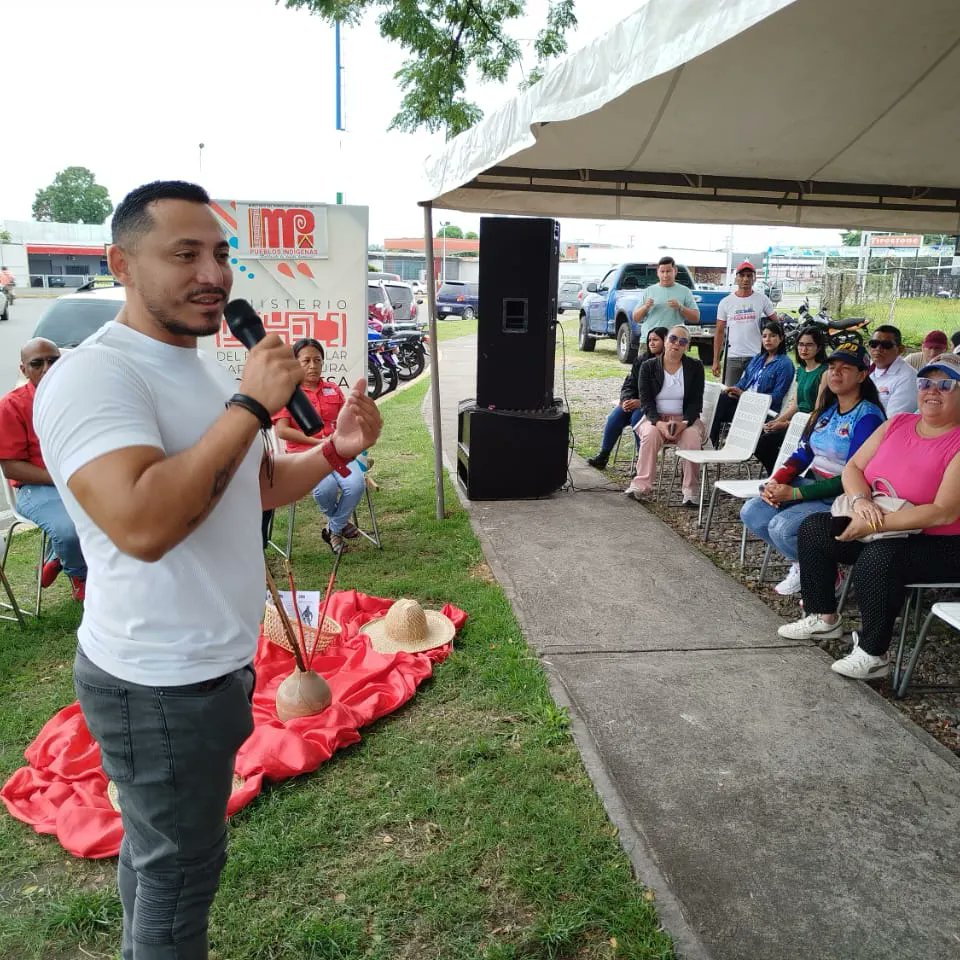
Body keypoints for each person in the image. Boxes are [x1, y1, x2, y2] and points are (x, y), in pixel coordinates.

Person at [33, 180, 382, 960]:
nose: (213, 274)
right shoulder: (95, 377)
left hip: (209, 666)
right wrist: (251, 407)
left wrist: (334, 450)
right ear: (121, 264)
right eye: (184, 253)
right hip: (158, 682)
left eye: (221, 254)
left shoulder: (206, 370)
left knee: (161, 862)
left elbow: (253, 484)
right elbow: (144, 524)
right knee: (181, 877)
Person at [778, 352, 960, 680]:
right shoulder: (898, 423)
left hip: (939, 541)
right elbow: (853, 468)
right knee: (816, 529)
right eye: (926, 383)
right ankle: (823, 617)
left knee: (879, 560)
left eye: (946, 385)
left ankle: (873, 654)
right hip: (878, 521)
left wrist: (871, 523)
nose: (932, 391)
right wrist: (861, 501)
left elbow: (942, 513)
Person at [740, 343, 885, 596]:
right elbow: (803, 453)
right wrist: (777, 481)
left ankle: (827, 575)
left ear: (862, 375)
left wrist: (795, 494)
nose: (836, 372)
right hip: (813, 483)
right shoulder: (827, 410)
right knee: (753, 511)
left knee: (783, 528)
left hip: (843, 496)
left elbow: (851, 476)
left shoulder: (868, 417)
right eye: (832, 367)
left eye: (846, 368)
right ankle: (804, 563)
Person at [0, 338, 86, 600]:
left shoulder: (80, 397)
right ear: (24, 369)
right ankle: (79, 575)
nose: (47, 368)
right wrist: (61, 478)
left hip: (82, 479)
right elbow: (11, 468)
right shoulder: (11, 406)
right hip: (37, 487)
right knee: (69, 531)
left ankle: (57, 556)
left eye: (53, 361)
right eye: (37, 364)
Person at [273, 338, 366, 554]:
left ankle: (333, 528)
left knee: (355, 485)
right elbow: (282, 431)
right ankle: (340, 525)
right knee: (326, 489)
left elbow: (346, 421)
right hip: (304, 455)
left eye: (317, 360)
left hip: (336, 452)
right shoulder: (288, 395)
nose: (313, 366)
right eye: (306, 361)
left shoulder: (333, 389)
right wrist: (317, 441)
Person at [624, 325, 706, 507]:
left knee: (692, 439)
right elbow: (646, 401)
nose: (676, 344)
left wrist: (684, 422)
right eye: (673, 339)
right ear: (666, 341)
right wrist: (658, 423)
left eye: (682, 341)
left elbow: (695, 402)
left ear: (687, 346)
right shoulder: (648, 366)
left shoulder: (695, 367)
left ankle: (690, 491)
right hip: (656, 417)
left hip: (685, 419)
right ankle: (641, 485)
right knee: (650, 434)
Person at [586, 326, 669, 469]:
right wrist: (626, 400)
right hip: (636, 403)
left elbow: (667, 393)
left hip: (655, 407)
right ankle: (603, 456)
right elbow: (629, 383)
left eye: (655, 340)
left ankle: (643, 463)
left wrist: (641, 403)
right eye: (649, 340)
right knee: (615, 417)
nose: (651, 343)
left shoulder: (671, 364)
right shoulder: (642, 360)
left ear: (665, 341)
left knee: (637, 419)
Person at [753, 326, 829, 474]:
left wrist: (786, 424)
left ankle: (781, 474)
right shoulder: (801, 370)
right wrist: (777, 421)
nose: (804, 349)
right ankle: (779, 472)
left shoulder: (824, 372)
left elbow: (818, 410)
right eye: (801, 344)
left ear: (819, 347)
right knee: (761, 437)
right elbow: (795, 405)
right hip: (797, 420)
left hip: (811, 425)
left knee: (764, 443)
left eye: (809, 345)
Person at [709, 319, 795, 449]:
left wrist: (745, 395)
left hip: (762, 410)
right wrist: (734, 390)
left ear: (781, 338)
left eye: (772, 336)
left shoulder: (785, 364)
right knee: (721, 399)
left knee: (722, 405)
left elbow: (777, 396)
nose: (768, 340)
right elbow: (744, 381)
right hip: (744, 403)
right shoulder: (758, 358)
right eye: (764, 336)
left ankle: (710, 442)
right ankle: (709, 441)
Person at [712, 261, 779, 386]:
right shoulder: (726, 302)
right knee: (730, 392)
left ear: (754, 278)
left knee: (753, 392)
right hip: (733, 356)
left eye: (749, 275)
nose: (745, 279)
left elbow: (776, 324)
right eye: (742, 275)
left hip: (756, 356)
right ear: (736, 278)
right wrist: (716, 360)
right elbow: (719, 332)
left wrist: (772, 351)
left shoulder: (762, 299)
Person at [632, 256, 699, 340]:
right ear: (657, 272)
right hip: (650, 341)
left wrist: (680, 307)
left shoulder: (685, 291)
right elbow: (635, 318)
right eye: (662, 271)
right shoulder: (649, 291)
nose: (665, 275)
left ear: (675, 271)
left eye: (668, 271)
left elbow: (696, 317)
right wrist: (645, 307)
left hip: (673, 341)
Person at [867, 324, 917, 415]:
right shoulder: (864, 368)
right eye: (874, 344)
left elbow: (893, 419)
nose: (878, 349)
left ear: (900, 350)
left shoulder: (908, 378)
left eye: (886, 345)